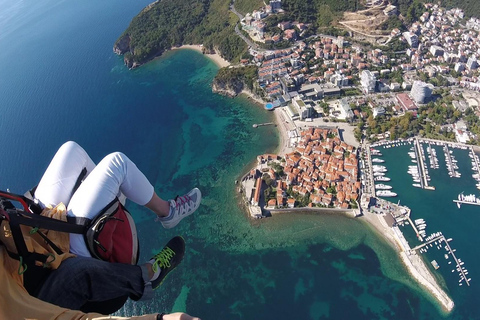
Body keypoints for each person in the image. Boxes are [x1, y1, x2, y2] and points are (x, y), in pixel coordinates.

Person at [0, 141, 202, 320]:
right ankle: (151, 266)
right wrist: (159, 319)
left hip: (29, 240)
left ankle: (114, 203)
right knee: (117, 164)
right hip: (42, 276)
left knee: (71, 151)